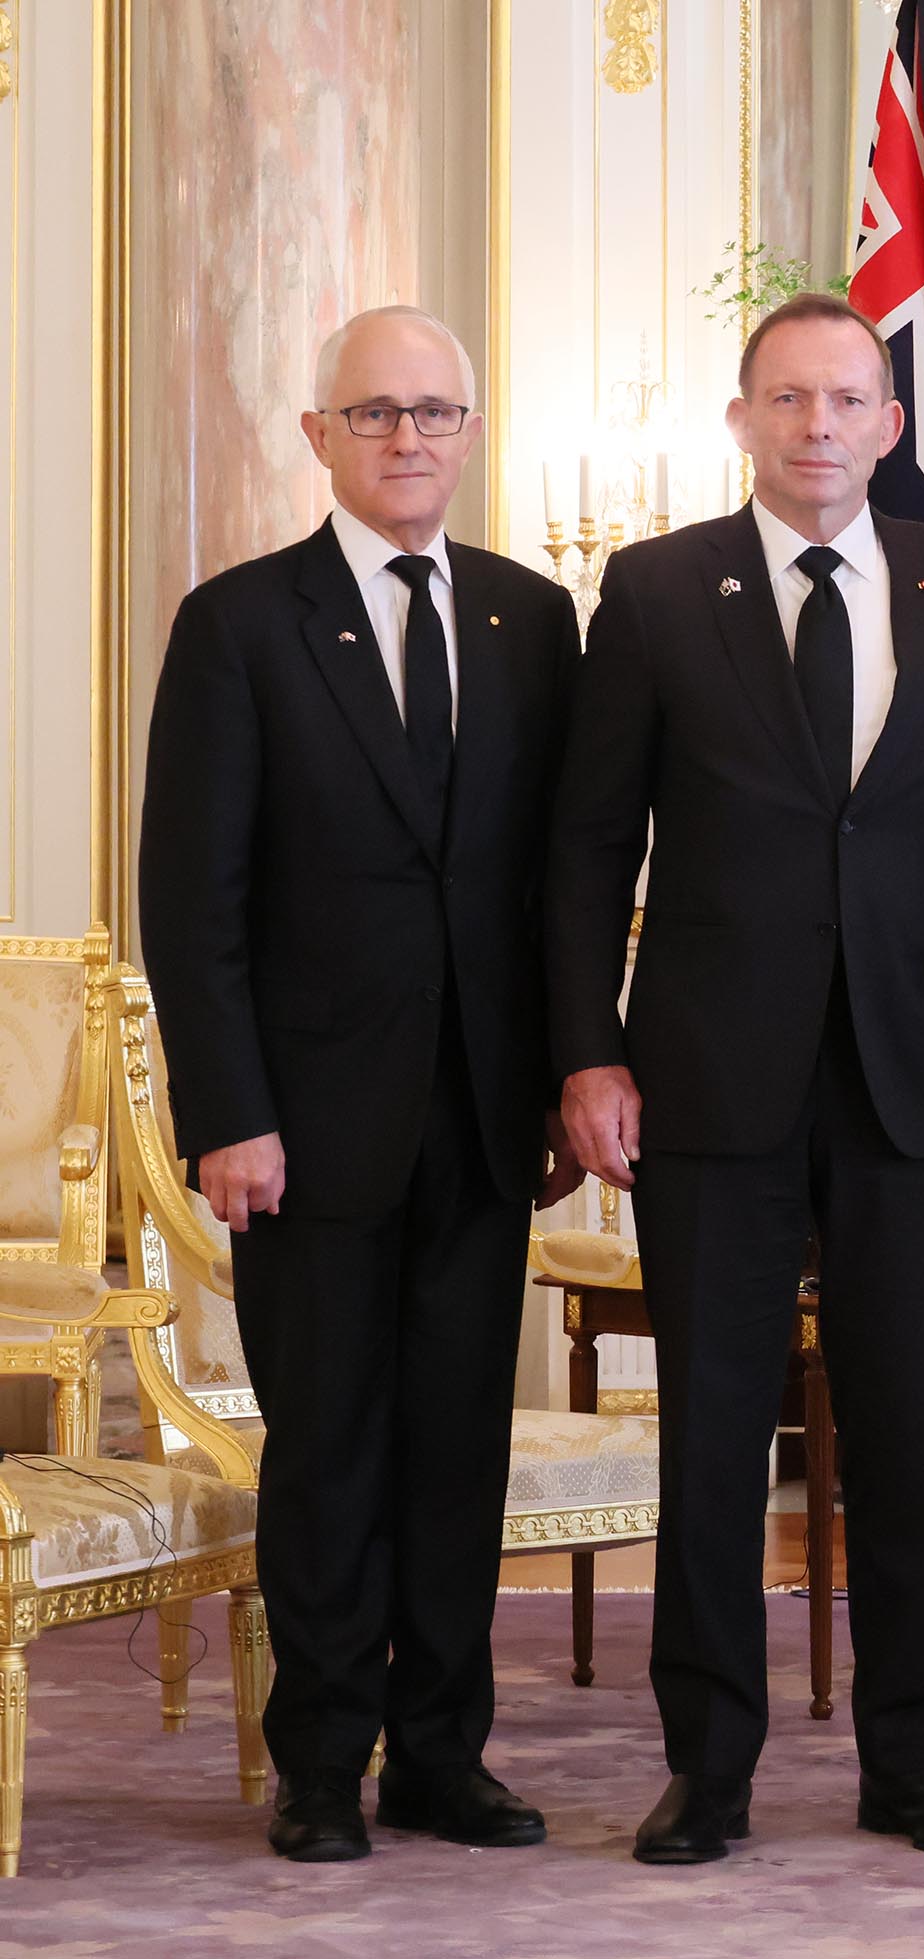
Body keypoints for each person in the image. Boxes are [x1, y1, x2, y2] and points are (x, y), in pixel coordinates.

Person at [547, 292, 924, 1865]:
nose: (817, 424)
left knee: (907, 1429)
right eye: (788, 398)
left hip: (914, 1072)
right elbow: (588, 844)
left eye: (846, 399)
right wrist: (587, 1049)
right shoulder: (655, 588)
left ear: (888, 426)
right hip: (710, 1074)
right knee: (713, 1433)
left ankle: (914, 1761)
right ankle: (709, 1768)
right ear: (743, 419)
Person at [138, 305, 583, 1862]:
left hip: (483, 1119)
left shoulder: (534, 621)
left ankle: (442, 1758)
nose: (407, 437)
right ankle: (323, 1765)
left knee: (459, 1451)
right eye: (376, 411)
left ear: (471, 432)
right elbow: (192, 900)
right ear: (318, 435)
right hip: (305, 1128)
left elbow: (559, 883)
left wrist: (561, 1080)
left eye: (434, 411)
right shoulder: (240, 624)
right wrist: (227, 1114)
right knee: (329, 1451)